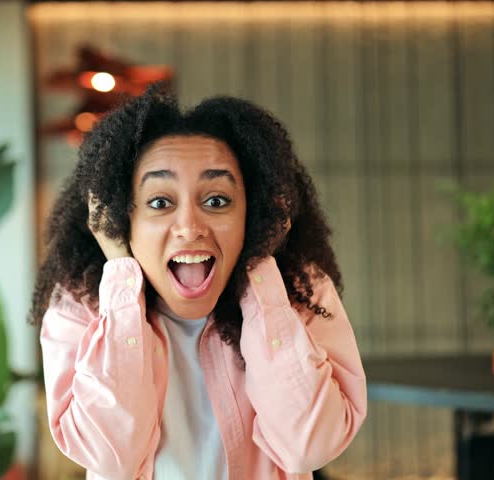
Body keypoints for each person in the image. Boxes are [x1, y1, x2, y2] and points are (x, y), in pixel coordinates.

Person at [30, 84, 367, 480]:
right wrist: (121, 279)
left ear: (252, 212)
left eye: (217, 201)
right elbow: (111, 456)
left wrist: (259, 267)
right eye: (160, 202)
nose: (189, 227)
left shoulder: (298, 292)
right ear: (122, 220)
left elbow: (309, 446)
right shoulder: (79, 305)